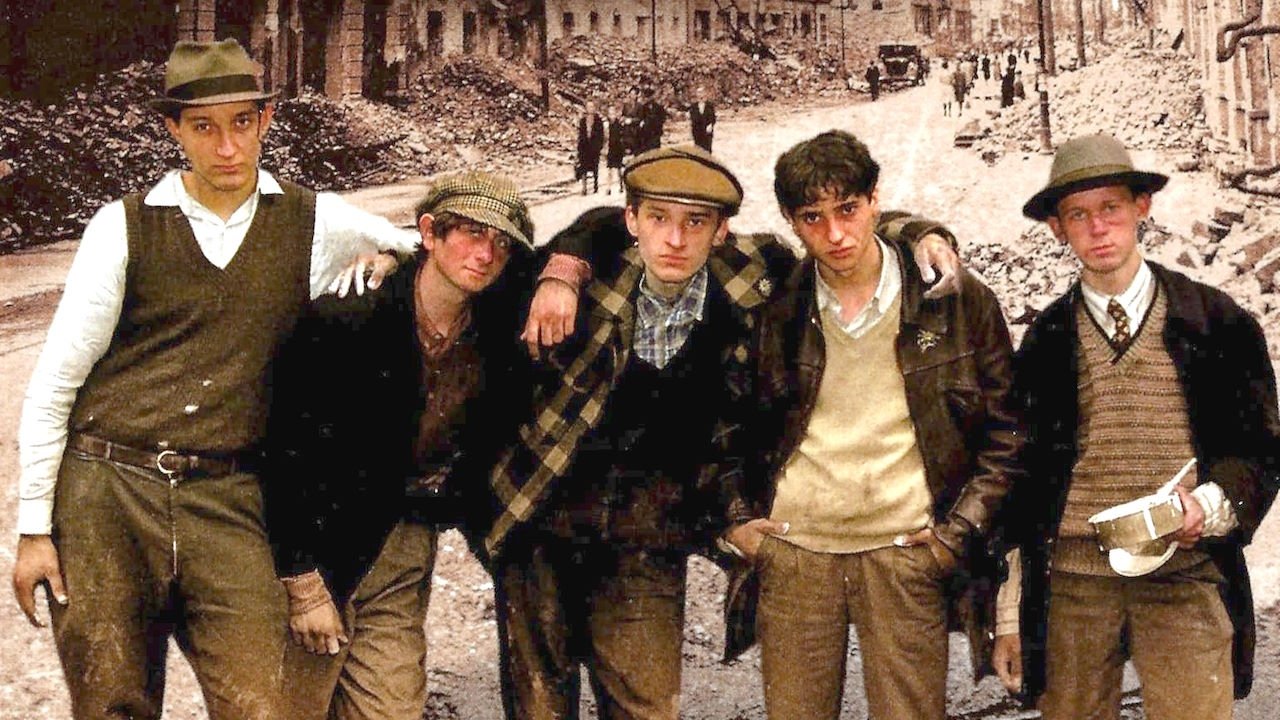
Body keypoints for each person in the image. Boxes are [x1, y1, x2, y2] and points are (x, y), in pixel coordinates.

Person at [10, 38, 420, 720]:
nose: (227, 147)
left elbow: (416, 244)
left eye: (241, 123)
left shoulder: (313, 219)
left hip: (229, 497)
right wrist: (33, 530)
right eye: (204, 126)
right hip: (110, 494)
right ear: (174, 130)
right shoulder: (123, 227)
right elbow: (55, 384)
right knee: (112, 703)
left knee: (262, 702)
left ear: (265, 121)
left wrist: (389, 261)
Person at [481, 144, 965, 720]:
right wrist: (561, 270)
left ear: (721, 231)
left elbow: (837, 234)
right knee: (538, 701)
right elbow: (490, 275)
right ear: (631, 221)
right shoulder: (590, 276)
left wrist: (921, 234)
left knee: (646, 703)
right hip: (541, 519)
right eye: (658, 218)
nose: (675, 239)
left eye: (696, 222)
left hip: (648, 535)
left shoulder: (754, 276)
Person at [721, 129, 1022, 720]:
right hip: (796, 552)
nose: (835, 234)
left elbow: (1007, 435)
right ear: (790, 221)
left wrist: (953, 538)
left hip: (905, 551)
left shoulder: (954, 301)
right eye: (812, 218)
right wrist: (737, 523)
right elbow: (724, 424)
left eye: (848, 209)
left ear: (875, 200)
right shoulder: (775, 309)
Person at [992, 134, 1280, 719]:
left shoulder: (1215, 321)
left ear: (1141, 208)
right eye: (1078, 215)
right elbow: (1021, 482)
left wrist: (1209, 505)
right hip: (1074, 582)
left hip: (1185, 572)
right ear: (1057, 229)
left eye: (1111, 208)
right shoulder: (1047, 340)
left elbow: (1259, 448)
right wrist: (1009, 614)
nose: (1098, 228)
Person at [264, 172, 537, 720]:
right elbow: (282, 452)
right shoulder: (348, 316)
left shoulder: (496, 325)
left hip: (402, 546)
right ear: (430, 232)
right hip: (317, 547)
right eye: (471, 233)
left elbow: (588, 242)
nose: (485, 254)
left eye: (501, 243)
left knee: (391, 707)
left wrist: (564, 276)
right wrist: (301, 582)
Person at [576, 100, 605, 195]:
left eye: (592, 107)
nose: (590, 109)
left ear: (594, 108)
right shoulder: (583, 121)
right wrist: (579, 147)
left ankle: (595, 185)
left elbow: (601, 135)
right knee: (583, 167)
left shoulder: (598, 120)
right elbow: (580, 134)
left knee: (594, 167)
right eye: (588, 107)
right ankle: (584, 187)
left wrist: (599, 146)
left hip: (594, 147)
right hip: (584, 147)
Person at [604, 104, 626, 195]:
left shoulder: (619, 124)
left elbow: (622, 135)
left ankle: (621, 185)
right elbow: (605, 137)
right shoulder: (606, 124)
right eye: (610, 113)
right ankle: (608, 187)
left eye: (613, 113)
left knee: (619, 169)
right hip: (610, 148)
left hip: (618, 148)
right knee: (609, 169)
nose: (612, 115)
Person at [688, 86, 716, 152]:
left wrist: (710, 125)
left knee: (707, 149)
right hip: (697, 131)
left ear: (705, 93)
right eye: (699, 92)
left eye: (702, 92)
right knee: (698, 150)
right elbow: (692, 118)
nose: (700, 94)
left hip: (707, 131)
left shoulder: (710, 105)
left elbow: (713, 117)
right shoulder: (693, 106)